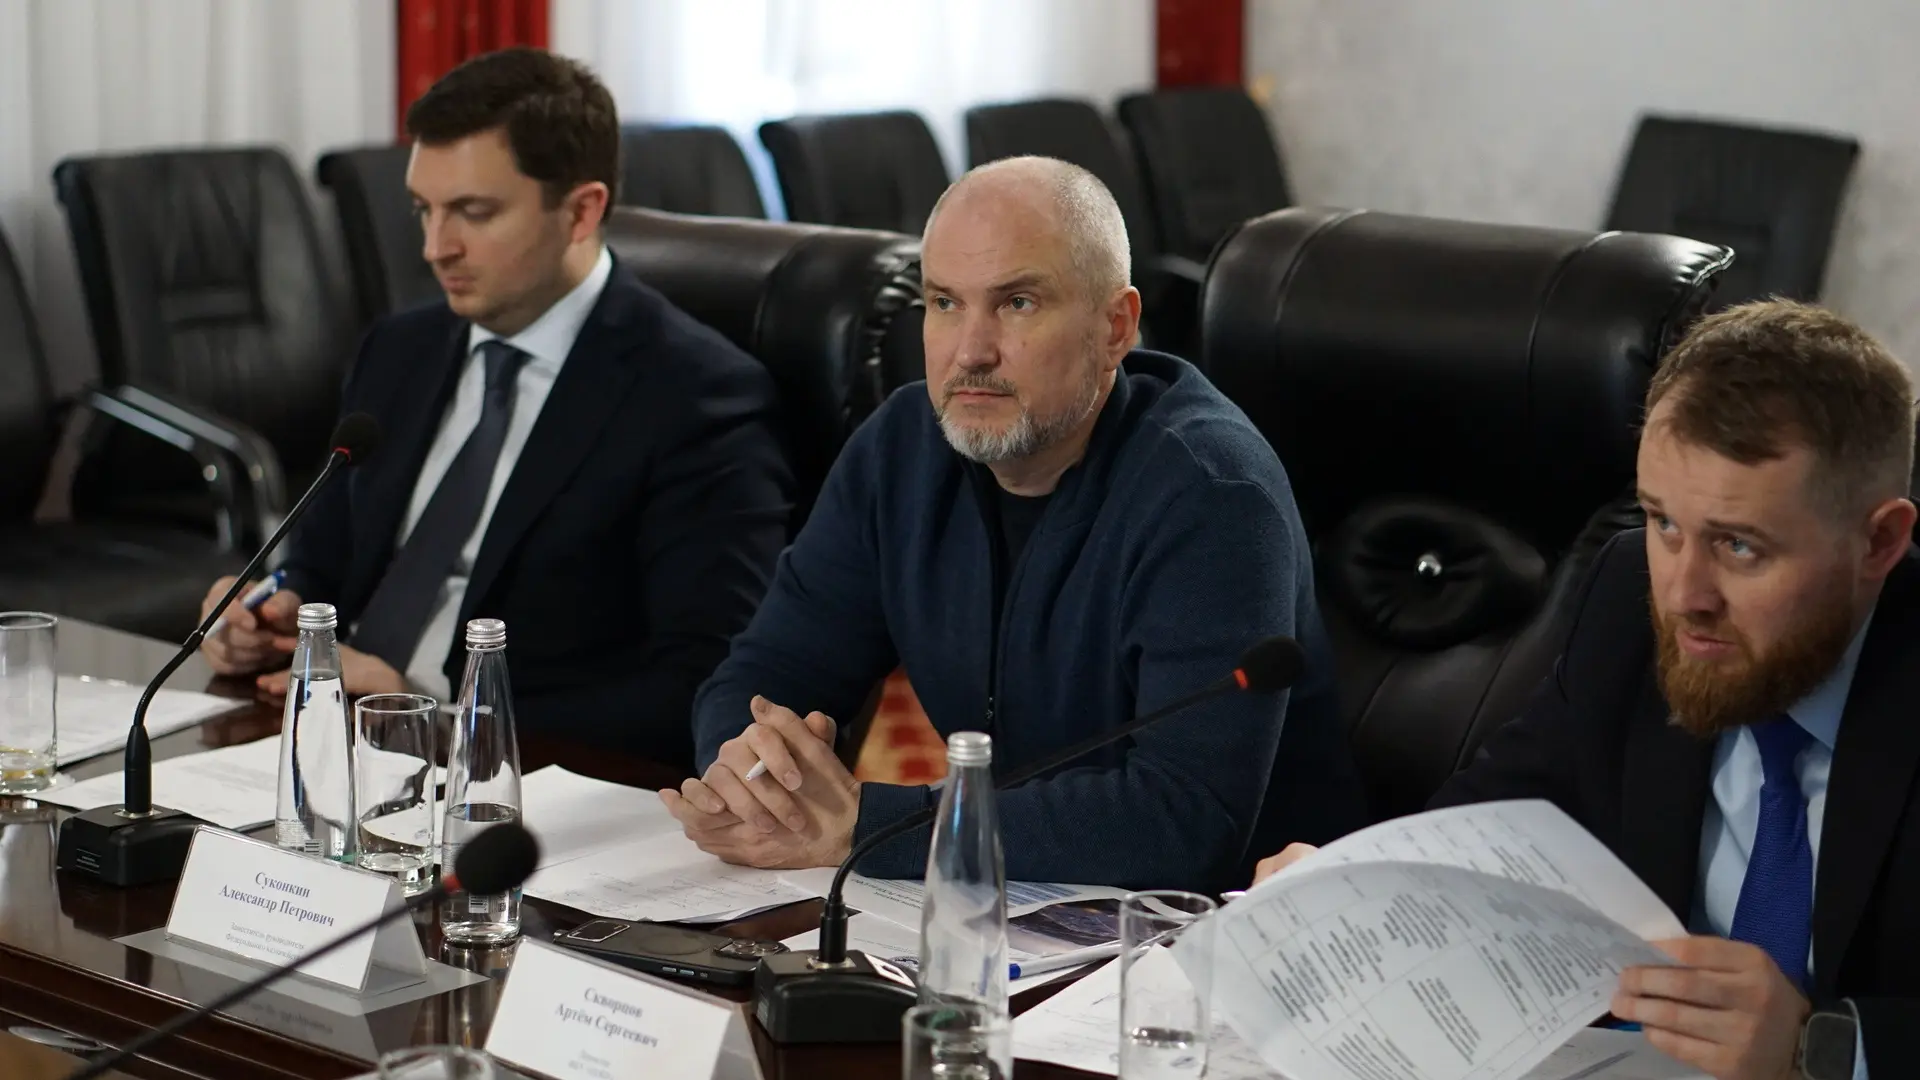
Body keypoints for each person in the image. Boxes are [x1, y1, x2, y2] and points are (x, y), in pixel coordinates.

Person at [1252, 300, 1919, 1079]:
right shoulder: (1625, 601)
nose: (1684, 595)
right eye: (1664, 523)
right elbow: (1493, 825)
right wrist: (1351, 891)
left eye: (1740, 547)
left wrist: (1822, 1047)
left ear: (1879, 541)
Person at [663, 155, 1364, 892]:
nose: (971, 351)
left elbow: (1181, 817)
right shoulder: (900, 448)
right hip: (1021, 897)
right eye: (944, 302)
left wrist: (868, 828)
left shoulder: (1212, 492)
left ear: (1115, 328)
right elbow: (766, 672)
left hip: (1237, 922)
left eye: (1017, 303)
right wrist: (751, 775)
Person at [198, 48, 790, 771]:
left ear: (581, 211)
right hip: (325, 743)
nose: (434, 248)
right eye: (424, 210)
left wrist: (435, 710)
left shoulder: (695, 396)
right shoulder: (399, 348)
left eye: (472, 213)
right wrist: (267, 609)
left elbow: (701, 683)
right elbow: (321, 559)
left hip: (514, 781)